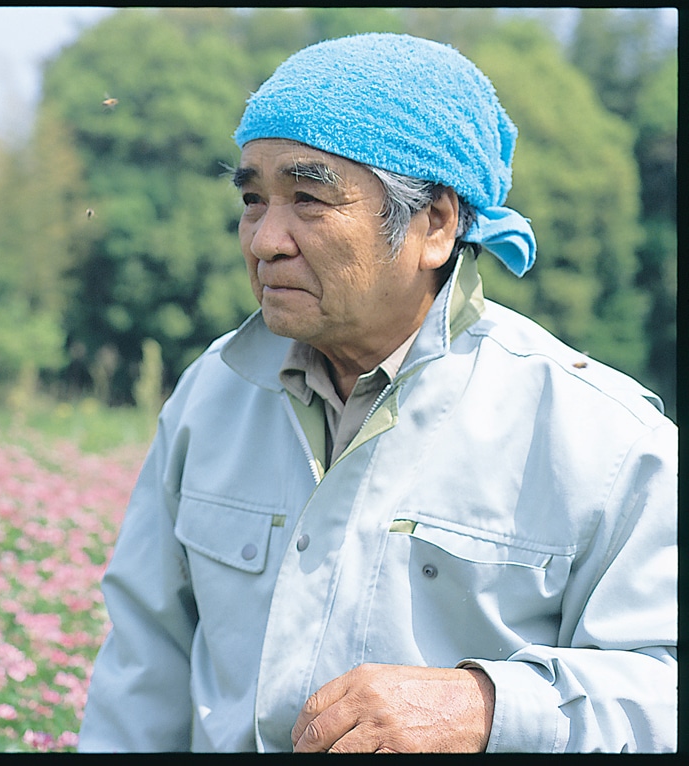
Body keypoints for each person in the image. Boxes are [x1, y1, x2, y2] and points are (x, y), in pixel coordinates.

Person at [77, 33, 677, 753]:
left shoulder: (603, 438)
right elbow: (141, 670)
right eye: (253, 199)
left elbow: (664, 689)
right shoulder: (213, 393)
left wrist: (487, 706)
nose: (264, 240)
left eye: (308, 198)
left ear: (436, 225)